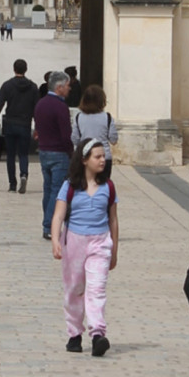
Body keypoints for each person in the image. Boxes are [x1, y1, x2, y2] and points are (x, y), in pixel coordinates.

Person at [52, 139, 118, 357]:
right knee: (74, 289)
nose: (102, 160)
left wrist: (114, 250)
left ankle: (98, 333)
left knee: (96, 289)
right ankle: (74, 333)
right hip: (74, 242)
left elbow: (113, 220)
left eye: (103, 156)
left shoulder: (108, 186)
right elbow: (58, 216)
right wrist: (55, 241)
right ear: (84, 160)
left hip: (100, 242)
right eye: (97, 156)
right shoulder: (70, 186)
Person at [35, 70, 75, 241]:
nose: (69, 89)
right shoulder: (60, 107)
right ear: (59, 87)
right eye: (67, 86)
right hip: (59, 153)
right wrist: (71, 153)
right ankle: (50, 225)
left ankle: (47, 223)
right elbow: (66, 135)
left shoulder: (41, 104)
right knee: (57, 191)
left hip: (44, 151)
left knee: (48, 189)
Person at [0, 59, 39, 194]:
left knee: (11, 155)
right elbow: (37, 108)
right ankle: (24, 174)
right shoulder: (33, 87)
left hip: (10, 123)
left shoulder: (7, 85)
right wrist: (38, 126)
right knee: (23, 154)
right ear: (26, 69)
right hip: (25, 123)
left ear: (14, 69)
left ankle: (12, 184)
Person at [71, 84, 118, 176]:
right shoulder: (107, 117)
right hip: (103, 157)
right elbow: (113, 139)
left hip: (85, 156)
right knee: (103, 186)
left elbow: (75, 139)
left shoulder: (79, 117)